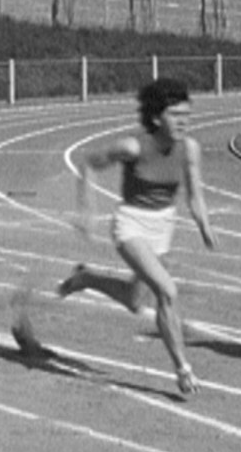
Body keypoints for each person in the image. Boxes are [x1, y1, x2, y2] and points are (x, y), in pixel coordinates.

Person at [60, 78, 218, 395]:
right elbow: (89, 163)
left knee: (134, 301)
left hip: (163, 227)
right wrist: (86, 207)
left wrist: (204, 225)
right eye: (176, 115)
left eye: (187, 114)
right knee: (167, 291)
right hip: (131, 225)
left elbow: (195, 193)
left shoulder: (189, 149)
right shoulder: (133, 146)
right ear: (157, 117)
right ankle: (182, 369)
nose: (184, 121)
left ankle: (86, 278)